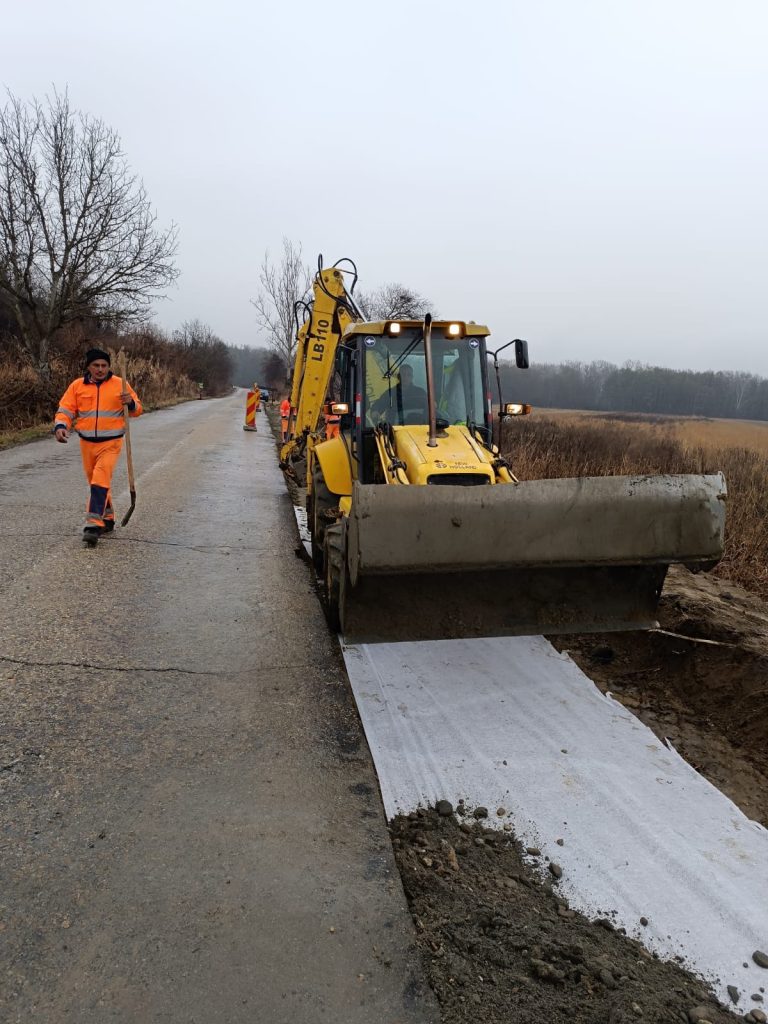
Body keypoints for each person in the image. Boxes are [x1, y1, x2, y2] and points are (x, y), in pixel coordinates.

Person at [54, 348, 142, 545]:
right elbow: (66, 410)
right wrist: (60, 426)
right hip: (86, 443)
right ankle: (108, 517)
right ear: (89, 366)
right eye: (96, 365)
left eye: (104, 365)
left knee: (100, 478)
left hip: (111, 442)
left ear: (109, 366)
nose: (100, 369)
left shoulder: (120, 384)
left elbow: (138, 409)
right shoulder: (77, 386)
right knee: (96, 482)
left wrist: (130, 404)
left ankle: (93, 524)